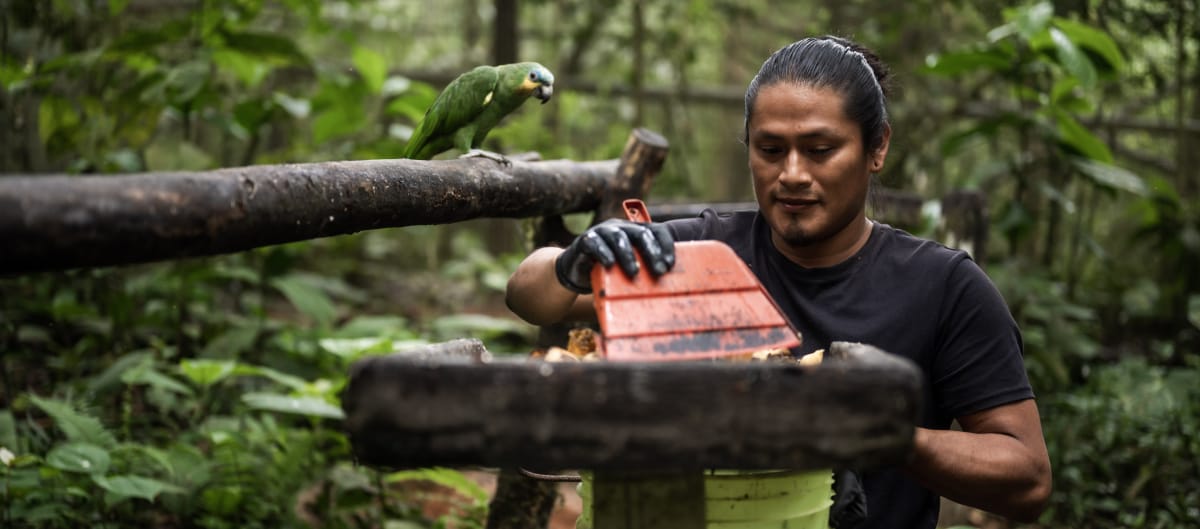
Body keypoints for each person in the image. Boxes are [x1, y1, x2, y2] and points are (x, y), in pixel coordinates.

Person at [505, 36, 1051, 529]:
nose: (791, 173)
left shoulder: (942, 287)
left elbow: (1027, 480)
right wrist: (570, 264)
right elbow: (528, 295)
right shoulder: (701, 254)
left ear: (876, 148)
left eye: (820, 150)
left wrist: (882, 435)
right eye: (770, 150)